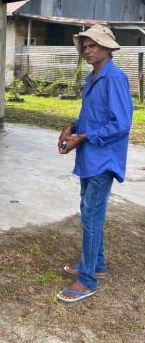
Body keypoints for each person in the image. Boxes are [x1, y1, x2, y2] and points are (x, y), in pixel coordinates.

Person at [57, 24, 133, 303]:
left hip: (104, 159)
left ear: (108, 48)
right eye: (85, 46)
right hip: (89, 158)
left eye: (94, 45)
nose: (88, 50)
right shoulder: (93, 77)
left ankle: (87, 280)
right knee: (89, 211)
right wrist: (72, 126)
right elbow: (93, 116)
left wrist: (85, 136)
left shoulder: (115, 77)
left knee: (91, 216)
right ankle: (97, 265)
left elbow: (121, 123)